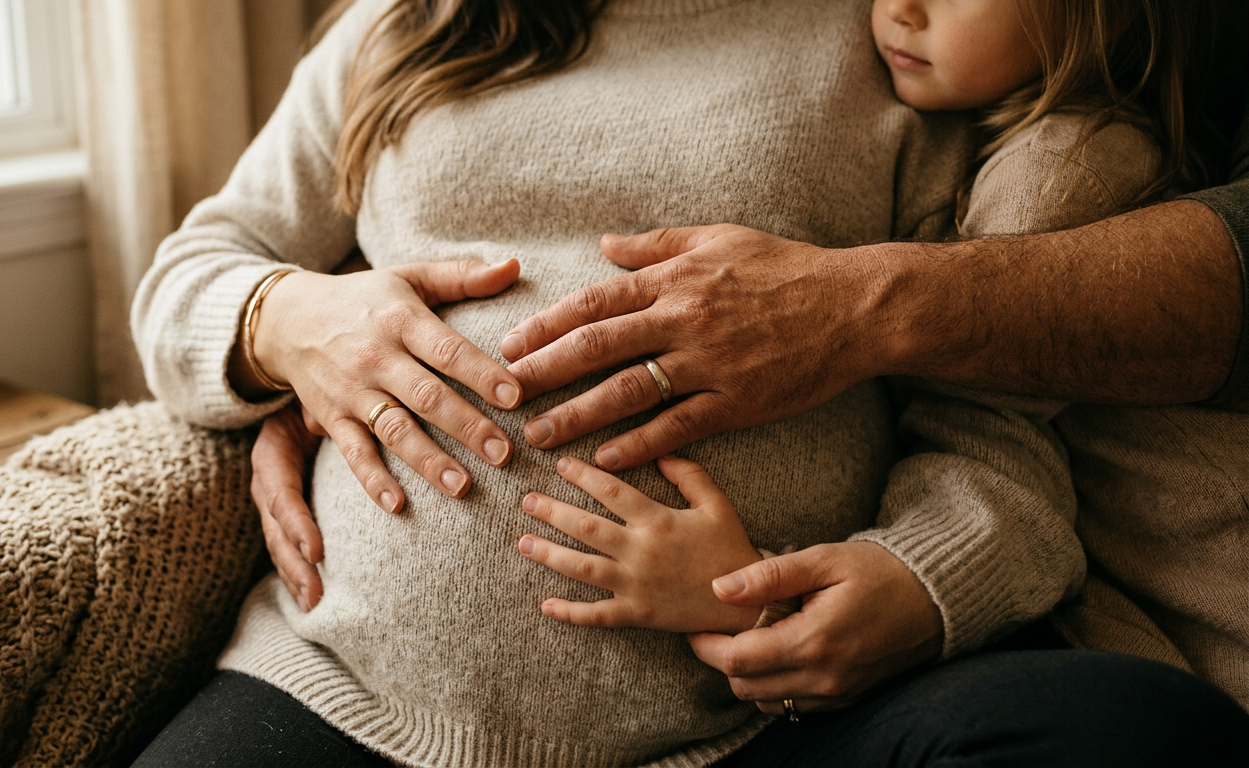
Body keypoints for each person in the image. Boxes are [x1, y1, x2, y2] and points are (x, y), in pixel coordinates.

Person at [134, 1, 1247, 767]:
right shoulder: (409, 26)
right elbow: (193, 269)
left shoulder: (893, 45)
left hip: (769, 731)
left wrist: (913, 581)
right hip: (350, 695)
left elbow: (996, 426)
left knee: (1139, 733)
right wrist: (287, 318)